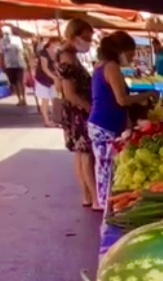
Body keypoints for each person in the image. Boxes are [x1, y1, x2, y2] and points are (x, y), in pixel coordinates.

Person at [88, 31, 156, 211]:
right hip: (105, 124)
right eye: (131, 53)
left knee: (105, 168)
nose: (132, 57)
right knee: (106, 170)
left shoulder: (100, 66)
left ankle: (106, 205)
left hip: (102, 122)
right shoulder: (111, 67)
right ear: (120, 50)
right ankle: (106, 209)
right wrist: (147, 94)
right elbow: (122, 100)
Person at [57, 18, 99, 210]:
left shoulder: (66, 54)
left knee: (80, 155)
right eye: (85, 38)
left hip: (75, 110)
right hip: (79, 112)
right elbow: (70, 93)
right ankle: (95, 198)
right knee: (86, 155)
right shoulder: (67, 57)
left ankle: (87, 196)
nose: (88, 42)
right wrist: (91, 109)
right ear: (73, 36)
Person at [33, 38, 59, 127]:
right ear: (51, 43)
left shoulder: (56, 53)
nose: (58, 45)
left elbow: (55, 65)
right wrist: (54, 77)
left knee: (54, 98)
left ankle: (56, 119)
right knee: (45, 99)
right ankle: (47, 121)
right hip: (42, 79)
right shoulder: (43, 53)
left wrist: (57, 74)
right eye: (57, 43)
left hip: (52, 79)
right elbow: (44, 68)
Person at [0, 27, 27, 106]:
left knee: (21, 81)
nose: (6, 35)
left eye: (7, 33)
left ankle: (24, 98)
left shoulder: (17, 39)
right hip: (9, 64)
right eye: (4, 33)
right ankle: (19, 99)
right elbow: (1, 53)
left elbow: (21, 50)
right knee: (14, 82)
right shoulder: (2, 41)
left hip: (19, 63)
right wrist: (2, 64)